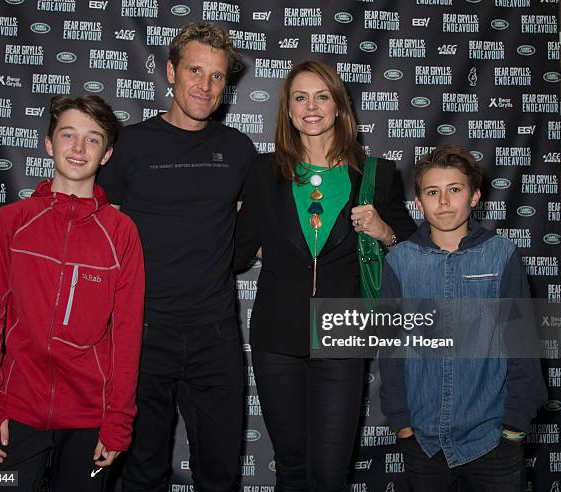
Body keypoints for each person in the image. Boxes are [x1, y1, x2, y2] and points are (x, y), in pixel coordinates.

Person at [233, 60, 416, 492]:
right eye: (300, 97)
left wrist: (384, 231)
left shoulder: (375, 174)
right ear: (288, 110)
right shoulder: (263, 172)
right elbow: (237, 253)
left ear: (339, 107)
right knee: (292, 470)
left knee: (331, 474)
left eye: (322, 97)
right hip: (277, 335)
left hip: (344, 329)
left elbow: (412, 257)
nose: (311, 107)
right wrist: (234, 220)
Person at [97, 22, 256, 492]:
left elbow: (254, 234)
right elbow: (102, 238)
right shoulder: (128, 146)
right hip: (142, 334)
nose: (205, 86)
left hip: (215, 333)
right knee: (142, 471)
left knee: (220, 472)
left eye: (217, 76)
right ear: (171, 71)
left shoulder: (238, 150)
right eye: (195, 71)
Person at [0, 95, 145, 492]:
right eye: (68, 135)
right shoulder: (11, 222)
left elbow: (127, 335)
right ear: (49, 144)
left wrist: (118, 420)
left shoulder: (121, 233)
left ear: (107, 154)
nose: (79, 149)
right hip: (16, 415)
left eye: (93, 139)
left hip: (90, 420)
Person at [378, 144, 547, 491]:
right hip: (423, 439)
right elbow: (392, 347)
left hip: (492, 437)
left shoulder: (501, 254)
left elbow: (522, 343)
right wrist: (402, 423)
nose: (443, 201)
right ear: (419, 202)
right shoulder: (401, 261)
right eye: (432, 192)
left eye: (454, 190)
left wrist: (514, 426)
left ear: (474, 197)